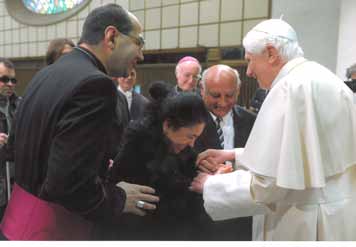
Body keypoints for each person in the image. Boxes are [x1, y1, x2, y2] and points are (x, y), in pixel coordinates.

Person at [0, 4, 159, 240]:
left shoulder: (47, 73)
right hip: (51, 229)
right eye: (139, 42)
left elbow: (18, 148)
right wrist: (119, 198)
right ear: (112, 36)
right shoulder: (95, 85)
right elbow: (67, 185)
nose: (141, 55)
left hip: (17, 220)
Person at [190, 19, 356, 240]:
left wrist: (213, 185)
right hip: (338, 214)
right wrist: (234, 155)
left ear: (271, 53)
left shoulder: (288, 88)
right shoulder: (326, 78)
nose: (249, 71)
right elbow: (302, 156)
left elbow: (270, 185)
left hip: (302, 219)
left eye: (250, 60)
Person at [107, 81, 211, 240]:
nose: (192, 144)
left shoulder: (186, 153)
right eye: (190, 136)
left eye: (197, 137)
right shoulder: (136, 149)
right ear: (167, 125)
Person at [193, 64, 255, 240]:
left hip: (241, 217)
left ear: (238, 90)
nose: (222, 102)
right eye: (215, 95)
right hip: (200, 218)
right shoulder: (186, 119)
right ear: (202, 89)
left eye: (230, 95)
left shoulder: (252, 121)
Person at [0, 58, 21, 219]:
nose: (10, 84)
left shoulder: (20, 104)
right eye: (4, 79)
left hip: (15, 184)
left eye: (13, 80)